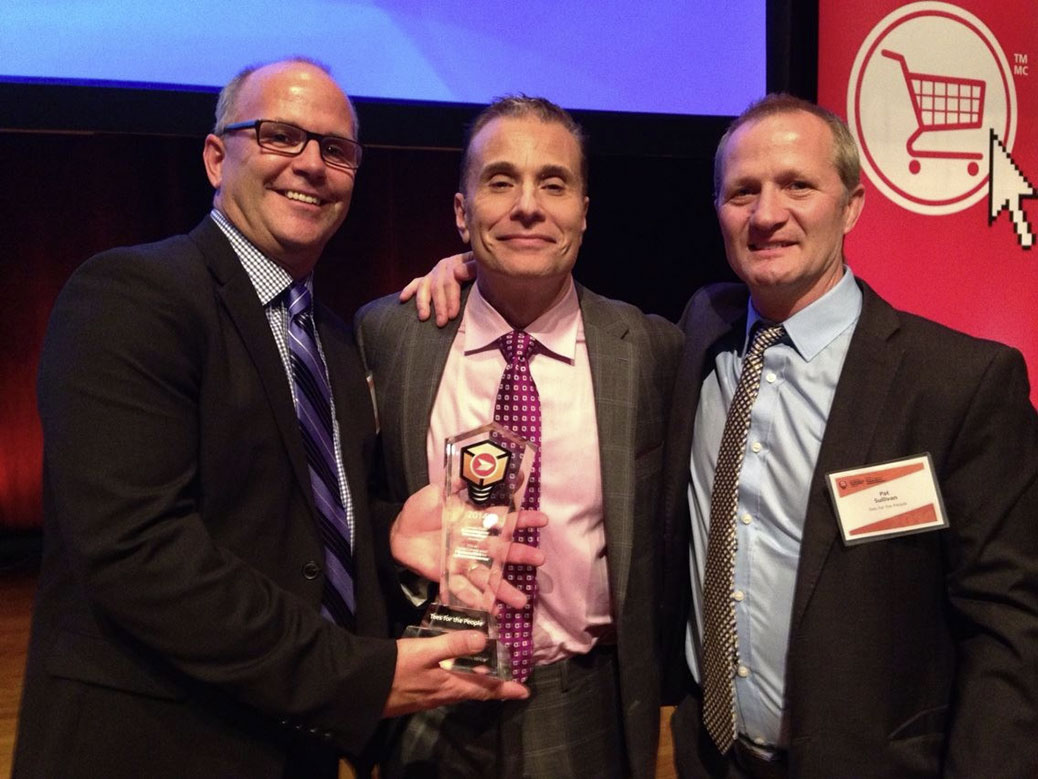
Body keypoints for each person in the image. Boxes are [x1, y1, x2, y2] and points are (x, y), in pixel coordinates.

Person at [13, 58, 543, 779]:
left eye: (336, 149)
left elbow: (286, 519)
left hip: (293, 745)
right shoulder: (132, 295)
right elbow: (140, 552)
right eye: (280, 135)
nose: (311, 165)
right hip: (153, 744)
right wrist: (358, 676)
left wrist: (385, 532)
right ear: (214, 157)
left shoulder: (331, 336)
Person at [659, 94, 1038, 777]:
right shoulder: (700, 332)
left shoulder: (960, 382)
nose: (767, 214)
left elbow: (1010, 628)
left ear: (852, 205)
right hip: (709, 757)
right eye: (742, 191)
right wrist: (473, 272)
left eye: (797, 185)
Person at [354, 96, 682, 778]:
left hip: (583, 701)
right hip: (430, 690)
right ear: (461, 210)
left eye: (554, 183)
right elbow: (355, 507)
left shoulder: (650, 349)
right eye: (500, 181)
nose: (528, 205)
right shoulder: (388, 334)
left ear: (584, 212)